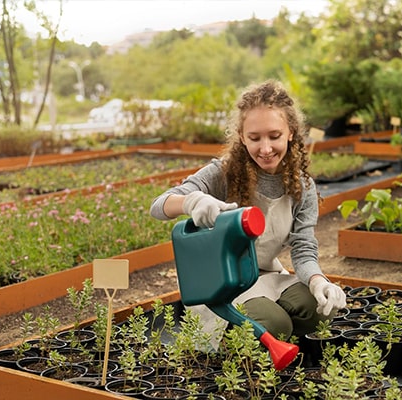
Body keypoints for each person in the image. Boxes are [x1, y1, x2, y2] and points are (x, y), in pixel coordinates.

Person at [149, 79, 347, 341]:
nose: (265, 149)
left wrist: (318, 280)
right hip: (222, 285)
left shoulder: (302, 186)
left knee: (318, 311)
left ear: (290, 132)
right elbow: (158, 206)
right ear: (242, 137)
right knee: (276, 325)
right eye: (254, 138)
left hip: (265, 274)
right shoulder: (223, 173)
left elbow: (303, 247)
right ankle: (250, 333)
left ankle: (264, 326)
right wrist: (192, 201)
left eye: (274, 136)